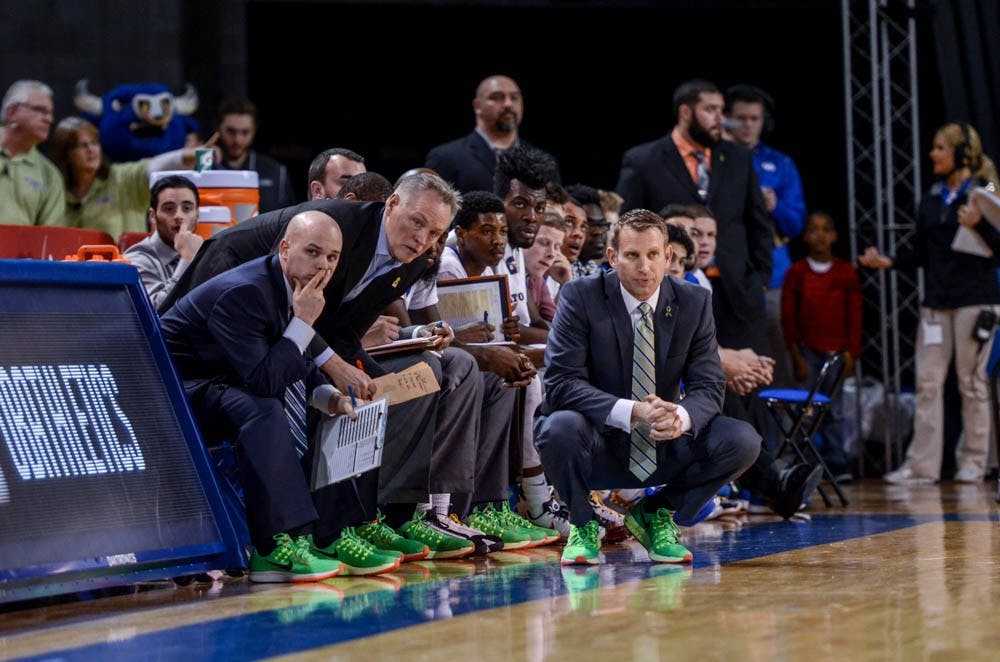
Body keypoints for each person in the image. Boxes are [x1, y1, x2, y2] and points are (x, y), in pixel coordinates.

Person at [160, 210, 399, 581]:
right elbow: (265, 379)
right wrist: (303, 321)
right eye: (313, 252)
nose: (322, 265)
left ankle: (333, 532)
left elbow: (288, 356)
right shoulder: (246, 291)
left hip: (226, 379)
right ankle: (273, 547)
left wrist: (328, 397)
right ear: (285, 248)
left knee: (337, 408)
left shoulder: (294, 287)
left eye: (332, 258)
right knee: (261, 408)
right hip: (175, 392)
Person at [535, 209, 761, 565]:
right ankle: (582, 523)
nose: (645, 267)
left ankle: (657, 514)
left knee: (742, 439)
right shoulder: (580, 296)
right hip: (598, 440)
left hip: (662, 441)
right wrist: (633, 411)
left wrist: (681, 417)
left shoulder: (694, 301)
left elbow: (709, 384)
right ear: (613, 258)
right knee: (558, 426)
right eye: (632, 255)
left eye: (654, 255)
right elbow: (561, 383)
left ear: (668, 256)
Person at [860, 122, 1000, 485]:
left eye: (940, 147)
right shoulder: (933, 196)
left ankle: (975, 462)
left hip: (976, 301)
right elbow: (922, 252)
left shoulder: (984, 190)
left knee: (971, 383)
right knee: (927, 383)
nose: (932, 154)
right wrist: (887, 261)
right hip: (937, 304)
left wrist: (979, 226)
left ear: (961, 153)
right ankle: (921, 466)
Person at [616, 78, 773, 354]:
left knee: (745, 383)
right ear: (686, 112)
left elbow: (758, 222)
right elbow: (627, 227)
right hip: (673, 290)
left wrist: (760, 279)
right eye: (710, 110)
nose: (719, 119)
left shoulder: (738, 157)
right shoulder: (644, 160)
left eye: (721, 110)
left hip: (737, 292)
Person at [725, 84, 807, 387]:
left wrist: (774, 207)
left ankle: (783, 430)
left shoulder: (780, 164)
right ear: (727, 120)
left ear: (764, 122)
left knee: (777, 355)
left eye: (754, 118)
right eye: (741, 118)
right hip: (727, 271)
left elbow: (797, 224)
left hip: (772, 275)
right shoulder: (714, 160)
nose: (748, 125)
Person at [781, 211, 861, 480]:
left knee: (835, 411)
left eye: (826, 229)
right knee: (806, 412)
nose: (820, 235)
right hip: (808, 352)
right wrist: (795, 355)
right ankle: (807, 464)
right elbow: (788, 317)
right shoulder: (797, 273)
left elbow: (855, 316)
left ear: (835, 236)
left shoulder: (846, 272)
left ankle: (837, 464)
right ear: (805, 237)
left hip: (838, 355)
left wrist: (852, 353)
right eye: (813, 230)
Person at [49, 116, 198, 236]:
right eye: (82, 145)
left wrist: (189, 155)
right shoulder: (56, 190)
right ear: (65, 154)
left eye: (94, 143)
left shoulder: (122, 178)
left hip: (128, 269)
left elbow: (154, 166)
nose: (91, 150)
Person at [425, 74, 560, 193]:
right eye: (497, 97)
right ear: (477, 106)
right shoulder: (445, 158)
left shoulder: (544, 161)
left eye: (514, 97)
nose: (508, 104)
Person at [124, 175, 205, 310]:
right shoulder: (136, 260)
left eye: (187, 208)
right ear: (153, 216)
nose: (179, 216)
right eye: (169, 209)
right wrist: (187, 260)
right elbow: (155, 312)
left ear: (197, 215)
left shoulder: (207, 252)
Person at [213, 98, 296, 212]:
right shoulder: (205, 167)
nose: (238, 140)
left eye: (245, 132)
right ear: (218, 128)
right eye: (231, 132)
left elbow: (288, 217)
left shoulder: (275, 171)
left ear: (254, 130)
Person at [0, 79, 64, 225]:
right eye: (41, 110)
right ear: (13, 112)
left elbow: (50, 237)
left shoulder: (49, 174)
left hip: (20, 248)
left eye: (50, 113)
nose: (49, 119)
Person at [522, 212, 565, 325]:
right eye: (544, 243)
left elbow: (560, 324)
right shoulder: (505, 272)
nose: (551, 254)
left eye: (557, 247)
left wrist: (566, 284)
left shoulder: (537, 280)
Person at [565, 183, 610, 278]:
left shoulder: (595, 270)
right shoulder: (557, 270)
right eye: (590, 225)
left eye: (602, 224)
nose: (599, 232)